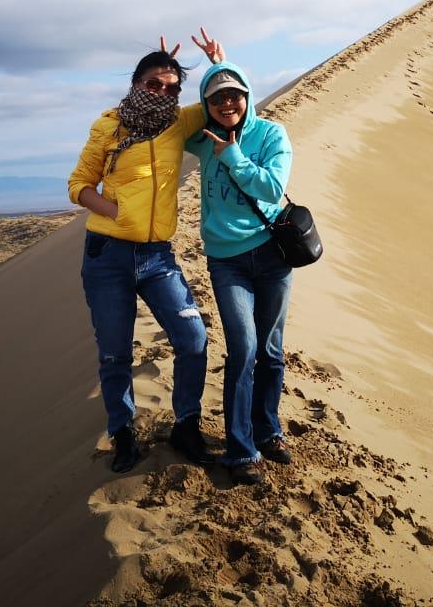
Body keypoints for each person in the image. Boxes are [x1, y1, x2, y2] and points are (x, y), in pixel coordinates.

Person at [68, 29, 224, 474]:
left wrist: (215, 63)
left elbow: (222, 103)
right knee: (115, 352)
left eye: (172, 87)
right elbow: (78, 185)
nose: (162, 92)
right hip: (108, 255)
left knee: (192, 338)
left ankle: (187, 425)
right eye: (154, 83)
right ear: (136, 82)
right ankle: (123, 432)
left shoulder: (180, 122)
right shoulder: (108, 125)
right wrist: (116, 213)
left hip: (157, 257)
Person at [185, 63, 294, 485]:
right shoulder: (200, 137)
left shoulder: (271, 134)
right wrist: (167, 79)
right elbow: (173, 124)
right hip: (226, 260)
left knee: (270, 348)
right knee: (244, 347)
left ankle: (267, 430)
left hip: (272, 256)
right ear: (206, 105)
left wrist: (230, 154)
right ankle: (240, 448)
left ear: (247, 95)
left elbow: (270, 187)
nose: (227, 103)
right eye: (216, 98)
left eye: (234, 95)